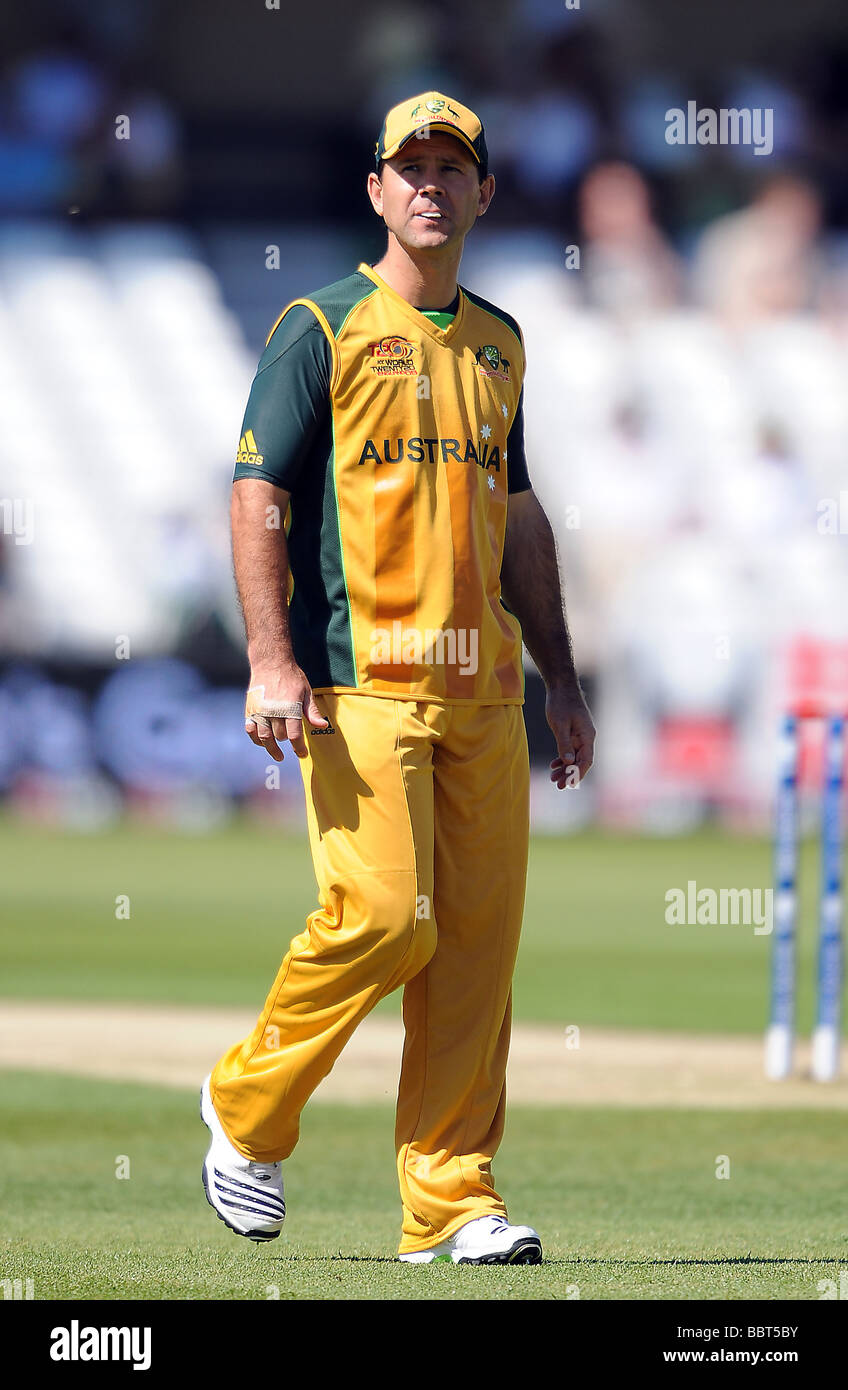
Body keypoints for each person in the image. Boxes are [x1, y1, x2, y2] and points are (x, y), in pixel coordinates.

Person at [200, 92, 595, 1266]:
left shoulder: (500, 342)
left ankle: (451, 1203)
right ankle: (247, 1104)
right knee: (378, 918)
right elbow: (256, 493)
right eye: (406, 167)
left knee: (473, 954)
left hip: (485, 695)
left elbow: (519, 520)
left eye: (449, 167)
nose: (428, 184)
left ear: (482, 192)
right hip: (357, 680)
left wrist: (560, 680)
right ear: (374, 190)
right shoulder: (317, 326)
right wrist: (271, 660)